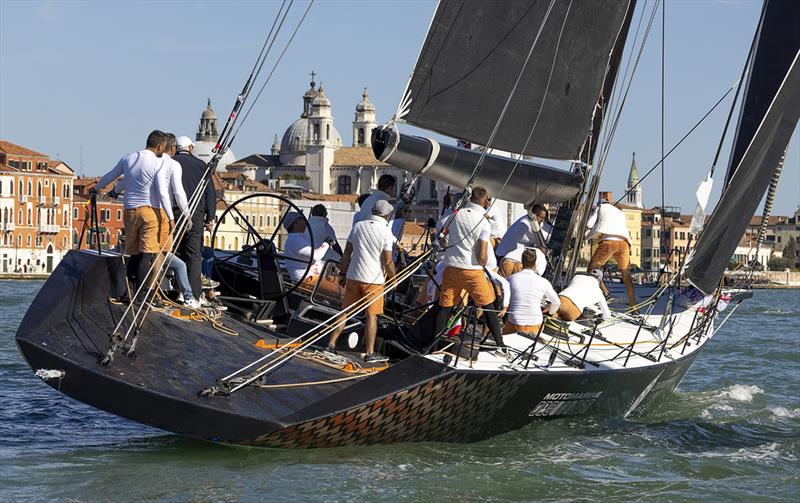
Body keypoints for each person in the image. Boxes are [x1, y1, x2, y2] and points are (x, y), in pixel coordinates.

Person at [94, 130, 172, 298]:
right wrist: (171, 218)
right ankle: (140, 294)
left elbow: (111, 176)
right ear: (160, 146)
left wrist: (96, 189)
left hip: (129, 211)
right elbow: (163, 193)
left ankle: (127, 291)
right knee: (147, 254)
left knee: (133, 253)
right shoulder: (158, 164)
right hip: (149, 211)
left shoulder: (129, 158)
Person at [433, 186, 505, 351]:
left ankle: (434, 346)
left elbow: (442, 239)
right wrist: (483, 262)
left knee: (445, 307)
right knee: (488, 306)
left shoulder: (455, 215)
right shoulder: (483, 222)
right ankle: (501, 345)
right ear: (485, 200)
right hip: (471, 270)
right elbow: (482, 255)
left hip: (451, 267)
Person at [327, 199, 396, 363]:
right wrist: (393, 280)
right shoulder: (386, 231)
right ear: (387, 214)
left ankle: (330, 344)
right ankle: (370, 352)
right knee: (371, 316)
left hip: (353, 276)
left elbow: (347, 253)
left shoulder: (358, 226)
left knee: (345, 312)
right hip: (374, 280)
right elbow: (387, 261)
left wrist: (343, 274)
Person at [174, 135, 216, 301]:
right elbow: (210, 192)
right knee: (194, 253)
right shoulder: (201, 165)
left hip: (175, 211)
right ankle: (193, 295)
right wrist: (210, 216)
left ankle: (176, 290)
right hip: (196, 213)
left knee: (175, 250)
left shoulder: (171, 162)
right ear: (190, 148)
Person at [586, 195, 637, 307]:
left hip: (609, 243)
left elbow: (589, 224)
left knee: (591, 270)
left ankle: (606, 293)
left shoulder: (601, 207)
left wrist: (584, 238)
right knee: (626, 275)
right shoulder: (620, 213)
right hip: (624, 243)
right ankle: (634, 305)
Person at [505, 249, 560, 334]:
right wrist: (550, 313)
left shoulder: (511, 278)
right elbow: (556, 302)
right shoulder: (543, 281)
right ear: (535, 263)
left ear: (522, 262)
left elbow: (505, 299)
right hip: (535, 323)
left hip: (514, 322)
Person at [496, 204, 549, 278]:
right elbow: (545, 236)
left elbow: (546, 229)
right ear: (534, 215)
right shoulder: (525, 224)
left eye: (544, 218)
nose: (542, 220)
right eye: (541, 217)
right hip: (506, 256)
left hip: (511, 257)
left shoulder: (535, 222)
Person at [283, 211, 331, 285]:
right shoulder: (295, 240)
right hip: (306, 282)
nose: (305, 220)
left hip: (311, 278)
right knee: (342, 288)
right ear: (295, 224)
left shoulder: (297, 238)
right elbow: (316, 256)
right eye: (301, 218)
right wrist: (326, 243)